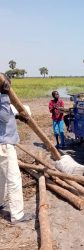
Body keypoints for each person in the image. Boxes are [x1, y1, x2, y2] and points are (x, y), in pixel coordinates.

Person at [0, 73, 34, 224]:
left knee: (1, 177)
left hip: (3, 143)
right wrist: (5, 96)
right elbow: (4, 116)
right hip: (5, 145)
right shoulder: (2, 98)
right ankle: (17, 215)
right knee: (13, 179)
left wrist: (17, 116)